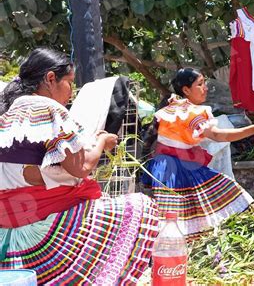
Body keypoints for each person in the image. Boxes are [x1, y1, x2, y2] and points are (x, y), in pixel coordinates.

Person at [0, 48, 159, 284]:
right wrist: (102, 141)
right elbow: (81, 166)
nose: (71, 92)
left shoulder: (10, 114)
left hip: (12, 227)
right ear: (51, 78)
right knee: (139, 206)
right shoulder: (48, 109)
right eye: (70, 83)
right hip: (46, 224)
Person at [141, 68, 254, 239]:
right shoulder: (192, 112)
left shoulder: (171, 108)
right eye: (200, 84)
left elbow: (152, 139)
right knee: (223, 197)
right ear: (186, 90)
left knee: (178, 219)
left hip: (167, 168)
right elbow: (218, 135)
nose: (205, 88)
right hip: (176, 170)